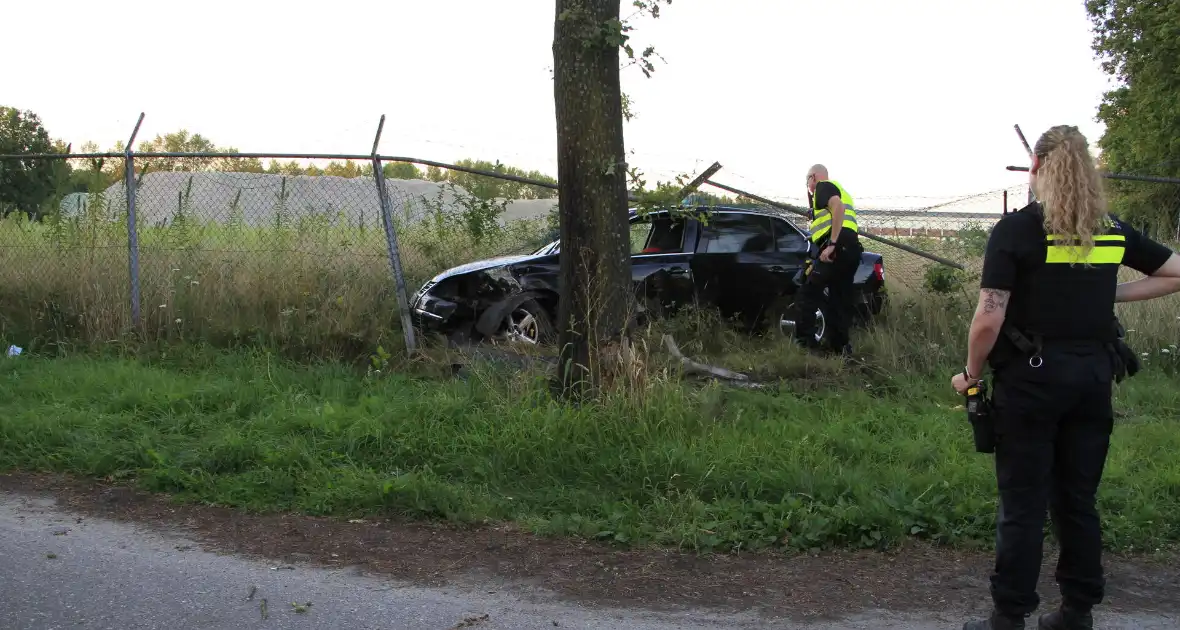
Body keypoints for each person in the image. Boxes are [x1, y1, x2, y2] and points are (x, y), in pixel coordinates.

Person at [951, 125, 1180, 630]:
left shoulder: (1017, 230)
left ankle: (1009, 616)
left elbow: (989, 317)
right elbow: (1175, 272)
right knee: (1077, 499)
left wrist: (969, 375)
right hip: (1093, 379)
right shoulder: (1111, 228)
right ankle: (1077, 612)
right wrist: (1106, 295)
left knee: (1023, 503)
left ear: (1035, 169)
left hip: (1030, 385)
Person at [794, 164, 863, 355]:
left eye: (807, 180)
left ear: (814, 177)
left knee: (807, 294)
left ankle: (806, 345)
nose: (808, 185)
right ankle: (840, 349)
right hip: (851, 251)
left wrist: (832, 244)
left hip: (835, 249)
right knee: (839, 301)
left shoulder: (823, 187)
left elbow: (837, 208)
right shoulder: (840, 190)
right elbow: (834, 212)